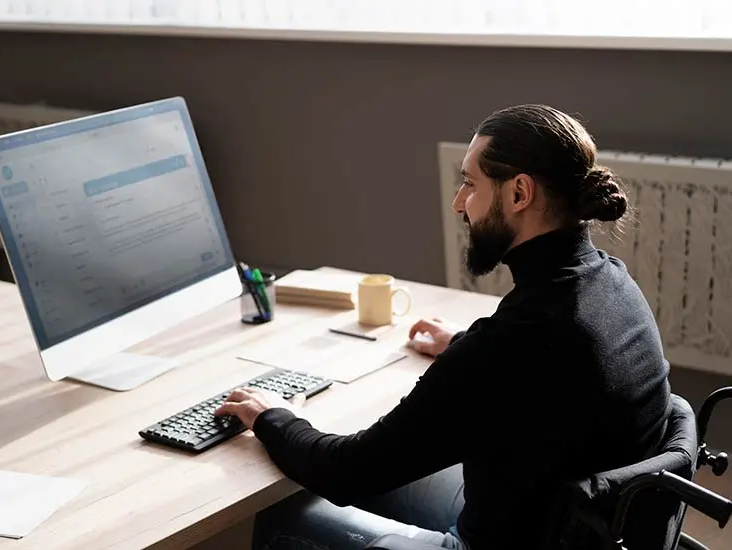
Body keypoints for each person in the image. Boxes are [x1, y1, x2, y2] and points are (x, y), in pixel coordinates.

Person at [215, 104, 673, 550]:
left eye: (470, 184)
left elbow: (345, 471)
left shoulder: (509, 345)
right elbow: (548, 374)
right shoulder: (612, 283)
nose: (459, 204)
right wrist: (461, 343)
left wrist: (271, 414)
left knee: (286, 510)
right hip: (568, 526)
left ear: (519, 193)